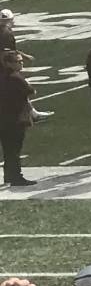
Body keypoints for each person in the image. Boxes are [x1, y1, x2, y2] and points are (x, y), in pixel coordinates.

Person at [0, 48, 33, 187]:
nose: (21, 63)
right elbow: (30, 91)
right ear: (8, 63)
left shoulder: (3, 76)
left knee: (8, 150)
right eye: (18, 61)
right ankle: (16, 177)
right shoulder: (15, 77)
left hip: (4, 118)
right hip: (15, 118)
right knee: (14, 150)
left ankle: (9, 175)